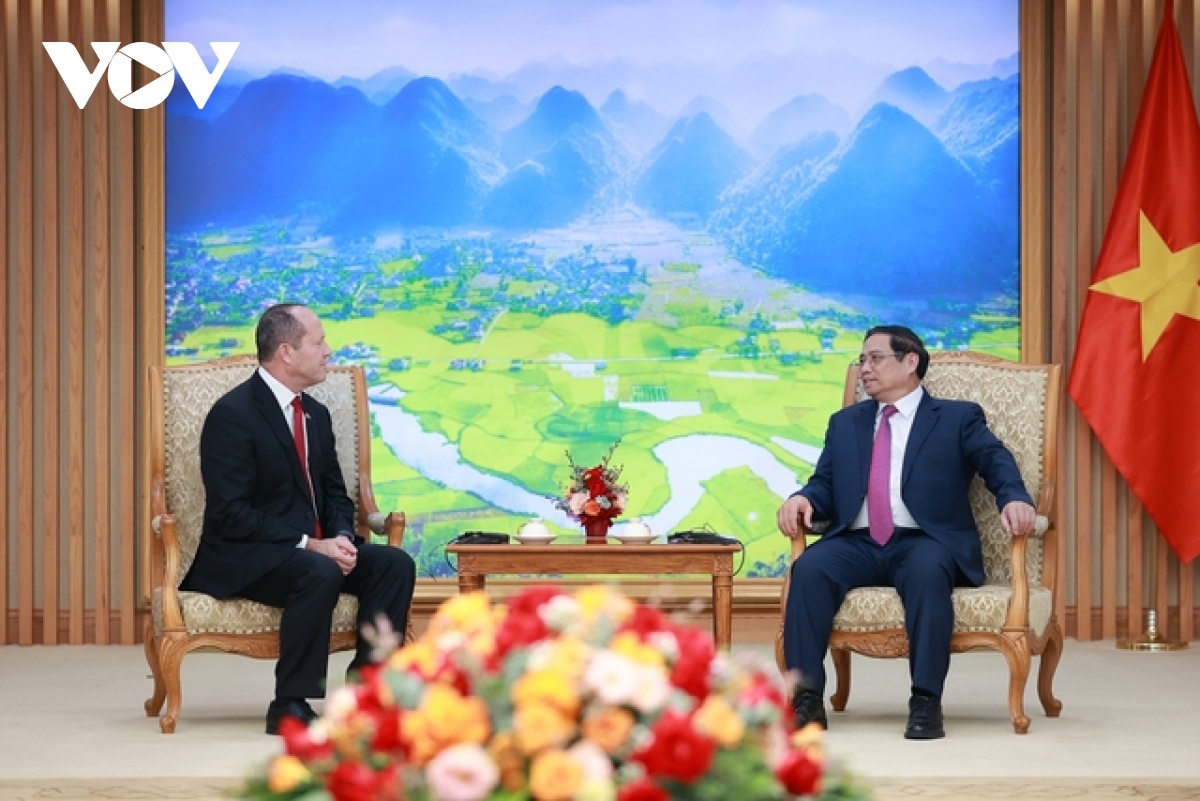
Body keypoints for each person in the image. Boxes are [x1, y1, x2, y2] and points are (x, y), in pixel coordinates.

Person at [776, 325, 1035, 740]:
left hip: (924, 540)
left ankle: (926, 700)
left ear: (910, 361)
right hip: (856, 542)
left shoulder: (956, 417)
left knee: (927, 573)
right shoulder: (845, 423)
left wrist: (1014, 498)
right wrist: (802, 498)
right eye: (862, 360)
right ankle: (806, 702)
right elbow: (824, 483)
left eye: (875, 358)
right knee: (808, 569)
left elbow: (994, 459)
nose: (865, 368)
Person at [181, 303, 416, 735]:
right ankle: (289, 703)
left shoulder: (316, 414)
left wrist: (343, 535)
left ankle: (368, 693)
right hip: (248, 555)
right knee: (319, 571)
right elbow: (232, 514)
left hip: (315, 552)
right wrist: (313, 545)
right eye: (320, 341)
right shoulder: (233, 416)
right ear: (287, 352)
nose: (329, 350)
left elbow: (334, 494)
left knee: (394, 564)